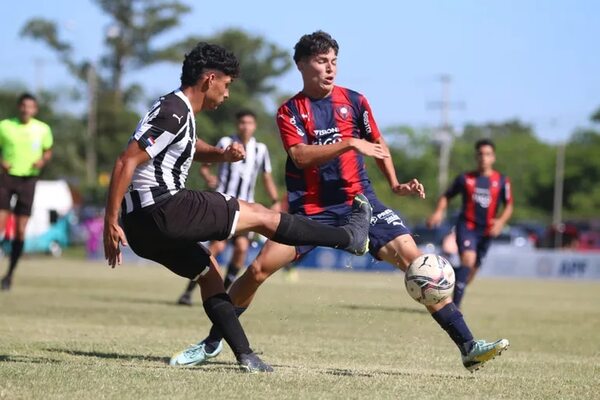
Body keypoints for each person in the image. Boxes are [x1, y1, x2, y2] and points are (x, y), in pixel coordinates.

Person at [170, 31, 509, 372]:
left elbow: (377, 142)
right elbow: (301, 157)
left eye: (334, 62)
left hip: (361, 203)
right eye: (321, 62)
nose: (330, 69)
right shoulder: (290, 111)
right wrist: (349, 143)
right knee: (257, 270)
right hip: (311, 211)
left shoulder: (355, 101)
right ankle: (212, 343)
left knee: (420, 267)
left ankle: (468, 345)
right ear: (302, 65)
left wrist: (395, 183)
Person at [103, 42, 372, 373]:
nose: (227, 94)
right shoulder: (173, 110)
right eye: (226, 85)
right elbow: (125, 161)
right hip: (163, 207)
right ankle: (348, 237)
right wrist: (108, 221)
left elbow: (183, 145)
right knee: (260, 215)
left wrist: (219, 154)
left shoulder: (175, 109)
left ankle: (245, 356)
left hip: (143, 230)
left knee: (210, 273)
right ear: (209, 80)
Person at [177, 109, 280, 306]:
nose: (245, 126)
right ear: (237, 125)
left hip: (246, 209)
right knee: (216, 247)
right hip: (223, 206)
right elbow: (205, 165)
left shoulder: (260, 149)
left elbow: (266, 176)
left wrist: (275, 199)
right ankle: (188, 292)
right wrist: (209, 178)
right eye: (242, 122)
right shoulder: (225, 142)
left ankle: (222, 295)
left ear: (254, 126)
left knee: (241, 249)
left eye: (249, 123)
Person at [428, 138, 513, 308]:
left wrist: (501, 221)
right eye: (480, 154)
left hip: (487, 231)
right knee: (468, 260)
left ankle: (446, 275)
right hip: (467, 226)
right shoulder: (465, 179)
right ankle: (454, 308)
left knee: (470, 274)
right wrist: (438, 211)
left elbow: (509, 205)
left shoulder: (502, 181)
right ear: (476, 157)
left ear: (493, 157)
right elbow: (447, 196)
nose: (484, 157)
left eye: (487, 154)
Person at [0, 93, 53, 291]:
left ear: (35, 109)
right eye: (23, 105)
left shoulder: (42, 129)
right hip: (6, 177)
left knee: (21, 230)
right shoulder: (5, 126)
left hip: (28, 180)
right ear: (18, 107)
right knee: (1, 225)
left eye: (30, 106)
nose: (26, 109)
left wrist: (43, 160)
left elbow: (48, 150)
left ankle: (9, 274)